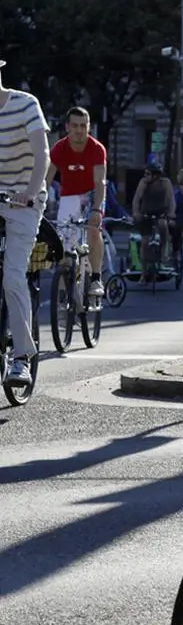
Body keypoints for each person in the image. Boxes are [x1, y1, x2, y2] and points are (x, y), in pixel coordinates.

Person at [0, 59, 50, 387]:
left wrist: (30, 193)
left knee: (13, 275)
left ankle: (21, 357)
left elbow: (42, 153)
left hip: (23, 200)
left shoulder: (25, 104)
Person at [47, 106, 107, 297]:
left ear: (88, 127)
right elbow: (46, 180)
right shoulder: (59, 148)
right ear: (67, 127)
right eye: (75, 125)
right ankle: (67, 283)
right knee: (64, 238)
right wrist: (36, 202)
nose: (79, 130)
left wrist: (97, 210)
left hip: (91, 193)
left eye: (83, 125)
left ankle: (96, 278)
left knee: (93, 229)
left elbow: (100, 183)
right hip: (69, 196)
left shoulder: (97, 149)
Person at [130, 162, 175, 279]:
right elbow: (136, 200)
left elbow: (171, 200)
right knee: (145, 242)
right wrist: (136, 213)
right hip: (146, 214)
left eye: (148, 174)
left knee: (163, 224)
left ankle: (164, 250)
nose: (145, 175)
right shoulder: (143, 183)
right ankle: (143, 273)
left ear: (156, 175)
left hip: (161, 213)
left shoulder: (165, 183)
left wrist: (171, 213)